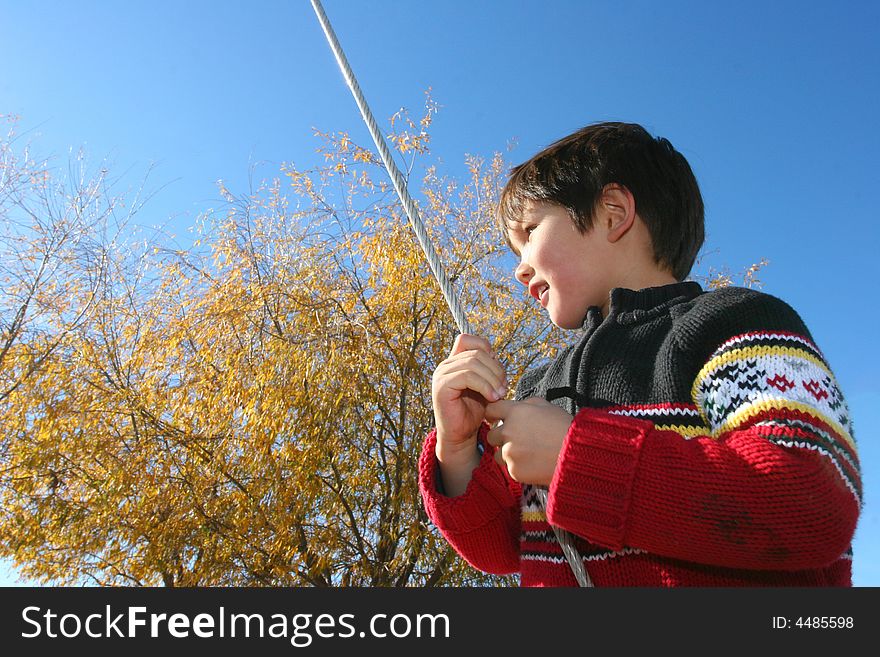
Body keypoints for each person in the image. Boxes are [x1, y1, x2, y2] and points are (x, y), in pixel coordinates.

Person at [419, 122, 861, 586]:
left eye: (529, 232)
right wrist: (458, 449)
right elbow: (501, 548)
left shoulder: (734, 323)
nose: (518, 268)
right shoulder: (538, 389)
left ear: (613, 212)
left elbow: (807, 503)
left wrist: (577, 456)